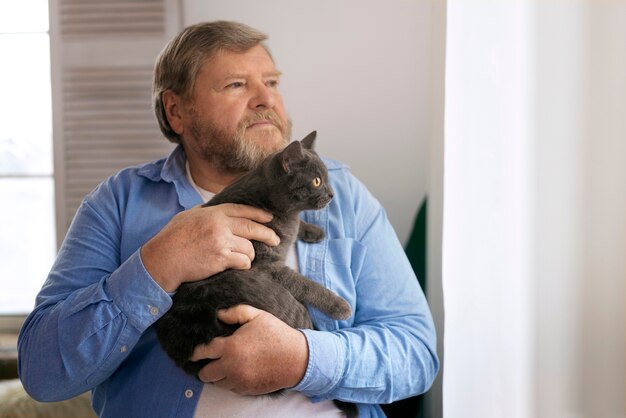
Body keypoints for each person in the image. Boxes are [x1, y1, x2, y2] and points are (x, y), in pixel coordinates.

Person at [18, 21, 439, 417]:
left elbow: (416, 356)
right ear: (176, 112)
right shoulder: (117, 204)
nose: (266, 100)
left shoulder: (343, 196)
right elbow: (42, 372)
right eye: (237, 85)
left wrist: (303, 359)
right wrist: (157, 264)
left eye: (271, 82)